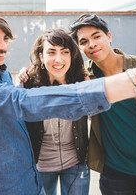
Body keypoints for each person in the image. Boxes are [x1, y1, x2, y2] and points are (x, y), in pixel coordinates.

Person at [0, 13, 136, 195]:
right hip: (13, 181)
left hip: (40, 175)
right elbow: (19, 103)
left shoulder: (3, 73)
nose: (3, 46)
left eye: (5, 39)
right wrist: (130, 82)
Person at [69, 14, 136, 195]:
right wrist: (26, 73)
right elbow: (52, 72)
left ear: (109, 36)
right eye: (84, 41)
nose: (91, 44)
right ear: (79, 47)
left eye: (96, 36)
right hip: (114, 174)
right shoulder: (85, 75)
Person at [22, 29, 90, 195]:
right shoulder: (28, 85)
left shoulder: (82, 82)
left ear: (71, 55)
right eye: (51, 52)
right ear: (41, 56)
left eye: (64, 52)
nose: (58, 59)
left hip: (76, 163)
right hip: (41, 165)